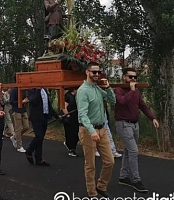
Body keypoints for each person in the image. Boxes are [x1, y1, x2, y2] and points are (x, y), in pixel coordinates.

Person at [114, 67, 159, 193]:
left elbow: (143, 106)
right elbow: (122, 102)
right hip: (123, 124)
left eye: (135, 77)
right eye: (130, 77)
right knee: (134, 151)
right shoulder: (119, 90)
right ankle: (136, 180)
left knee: (129, 150)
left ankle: (123, 176)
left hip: (134, 125)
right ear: (124, 77)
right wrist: (132, 91)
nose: (133, 79)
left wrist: (153, 118)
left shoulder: (137, 92)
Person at [76, 62, 116, 198]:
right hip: (88, 131)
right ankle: (92, 193)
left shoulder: (98, 89)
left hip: (102, 129)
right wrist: (91, 131)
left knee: (110, 161)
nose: (97, 74)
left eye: (99, 72)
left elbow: (112, 101)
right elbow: (82, 114)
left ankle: (101, 186)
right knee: (90, 164)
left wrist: (108, 87)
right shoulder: (83, 91)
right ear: (87, 72)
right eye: (94, 72)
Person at [25, 88, 62, 166]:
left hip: (44, 116)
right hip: (36, 117)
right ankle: (29, 150)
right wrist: (38, 90)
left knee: (40, 139)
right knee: (39, 136)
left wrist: (56, 116)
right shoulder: (31, 90)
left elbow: (48, 105)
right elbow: (33, 101)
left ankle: (39, 159)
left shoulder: (44, 89)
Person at [9, 86, 30, 153]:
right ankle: (19, 146)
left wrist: (26, 100)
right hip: (16, 110)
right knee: (18, 128)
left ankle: (14, 137)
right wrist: (21, 102)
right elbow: (11, 102)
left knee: (26, 127)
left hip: (23, 110)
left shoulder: (23, 89)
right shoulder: (14, 90)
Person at [62, 88, 79, 157]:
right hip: (69, 118)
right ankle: (71, 149)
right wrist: (67, 115)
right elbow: (64, 107)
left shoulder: (76, 97)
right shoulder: (67, 96)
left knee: (76, 133)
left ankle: (72, 146)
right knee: (70, 134)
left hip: (76, 117)